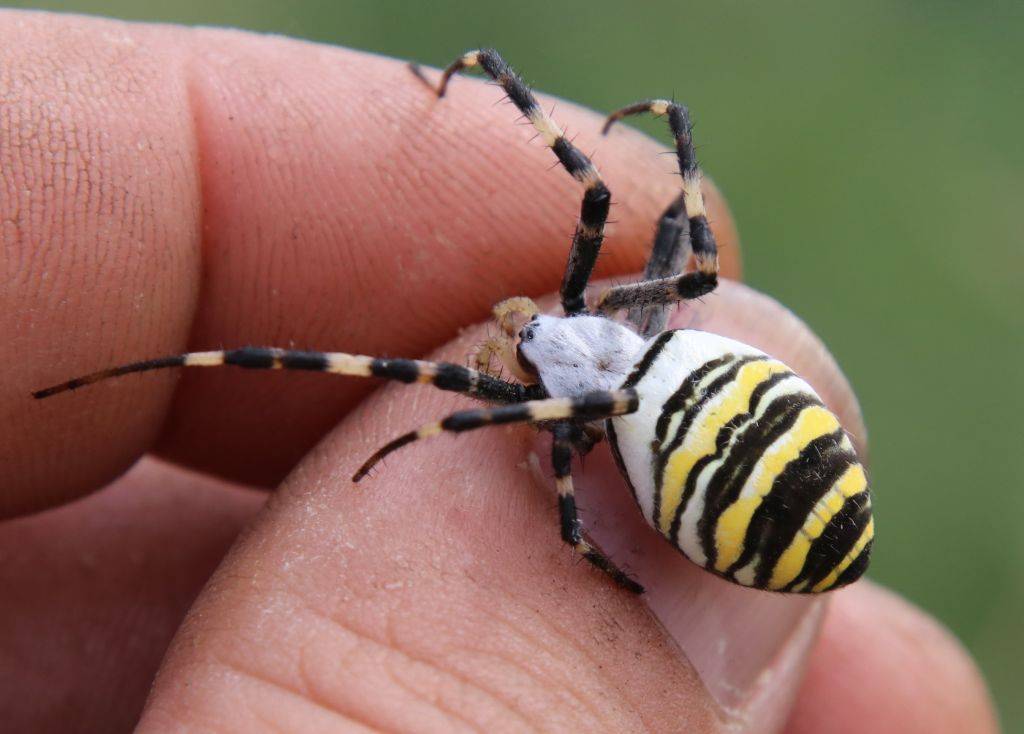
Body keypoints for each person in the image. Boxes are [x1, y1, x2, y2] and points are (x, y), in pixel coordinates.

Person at [1, 10, 998, 733]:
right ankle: (488, 71)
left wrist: (443, 433)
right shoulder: (635, 324)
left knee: (447, 341)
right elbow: (673, 233)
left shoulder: (549, 407)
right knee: (623, 202)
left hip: (695, 437)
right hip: (700, 415)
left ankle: (485, 69)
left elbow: (554, 496)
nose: (530, 324)